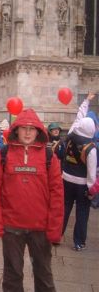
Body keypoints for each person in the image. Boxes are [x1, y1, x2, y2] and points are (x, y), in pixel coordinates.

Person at [0, 108, 64, 291]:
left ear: (38, 131)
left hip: (41, 228)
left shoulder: (49, 157)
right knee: (12, 275)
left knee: (44, 275)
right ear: (16, 130)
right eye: (24, 128)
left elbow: (57, 195)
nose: (28, 132)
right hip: (11, 228)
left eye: (32, 128)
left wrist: (55, 229)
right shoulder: (2, 155)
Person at [62, 92, 97, 251]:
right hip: (82, 184)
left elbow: (79, 117)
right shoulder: (91, 148)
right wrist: (91, 189)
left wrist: (86, 101)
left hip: (66, 179)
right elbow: (91, 173)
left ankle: (57, 234)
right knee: (82, 213)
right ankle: (78, 242)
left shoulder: (70, 135)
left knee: (64, 208)